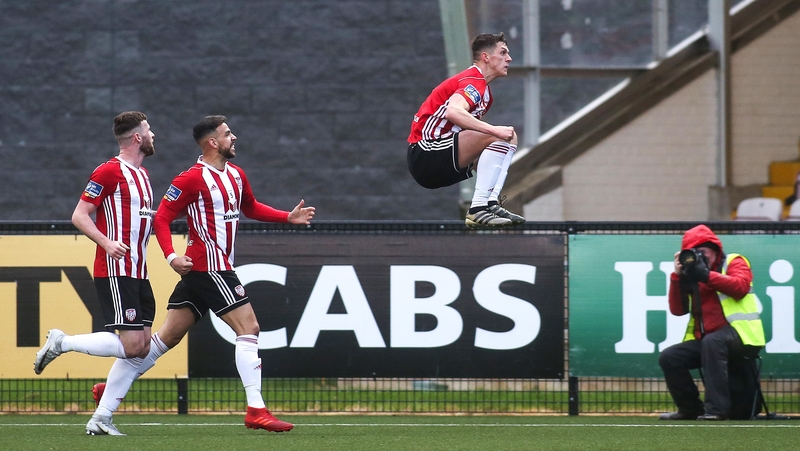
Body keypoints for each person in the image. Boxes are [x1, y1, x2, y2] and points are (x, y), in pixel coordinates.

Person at [85, 115, 315, 435]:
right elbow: (162, 219)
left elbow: (251, 207)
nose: (233, 138)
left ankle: (110, 387)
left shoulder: (236, 174)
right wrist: (171, 256)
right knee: (250, 328)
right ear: (212, 142)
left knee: (165, 339)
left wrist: (286, 217)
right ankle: (256, 410)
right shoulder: (190, 179)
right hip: (209, 266)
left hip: (208, 270)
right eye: (227, 134)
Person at [32, 111, 157, 435]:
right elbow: (79, 214)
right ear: (137, 138)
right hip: (116, 269)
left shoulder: (142, 176)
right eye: (149, 130)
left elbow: (141, 217)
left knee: (142, 347)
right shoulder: (108, 171)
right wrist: (107, 242)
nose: (153, 134)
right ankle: (62, 342)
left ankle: (101, 418)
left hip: (139, 271)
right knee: (132, 346)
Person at [407, 32, 525, 229]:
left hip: (437, 158)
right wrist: (494, 131)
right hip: (425, 153)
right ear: (486, 57)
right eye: (503, 52)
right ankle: (479, 208)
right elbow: (453, 112)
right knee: (497, 134)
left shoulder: (485, 93)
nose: (509, 58)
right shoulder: (473, 81)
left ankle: (489, 202)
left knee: (509, 138)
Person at [658, 224, 765, 421]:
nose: (698, 257)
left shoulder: (734, 261)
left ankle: (717, 410)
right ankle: (690, 409)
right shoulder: (691, 274)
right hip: (709, 340)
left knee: (713, 342)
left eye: (702, 252)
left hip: (741, 336)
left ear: (715, 250)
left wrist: (705, 275)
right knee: (670, 356)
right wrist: (677, 277)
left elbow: (740, 287)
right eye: (692, 253)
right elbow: (678, 310)